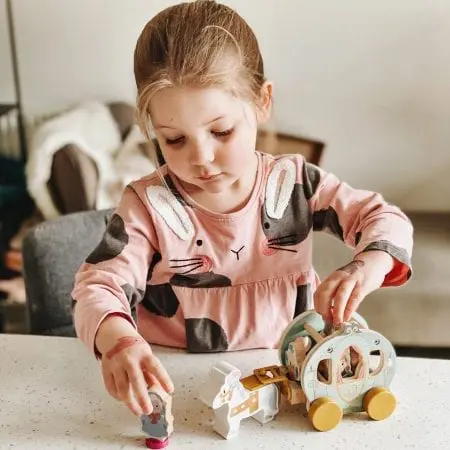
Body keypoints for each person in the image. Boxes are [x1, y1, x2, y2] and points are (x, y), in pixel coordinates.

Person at [72, 0, 413, 419]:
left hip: (286, 380)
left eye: (221, 131)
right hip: (175, 385)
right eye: (174, 140)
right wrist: (119, 340)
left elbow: (385, 219)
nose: (202, 158)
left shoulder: (296, 186)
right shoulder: (147, 205)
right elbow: (98, 287)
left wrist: (369, 265)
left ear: (262, 101)